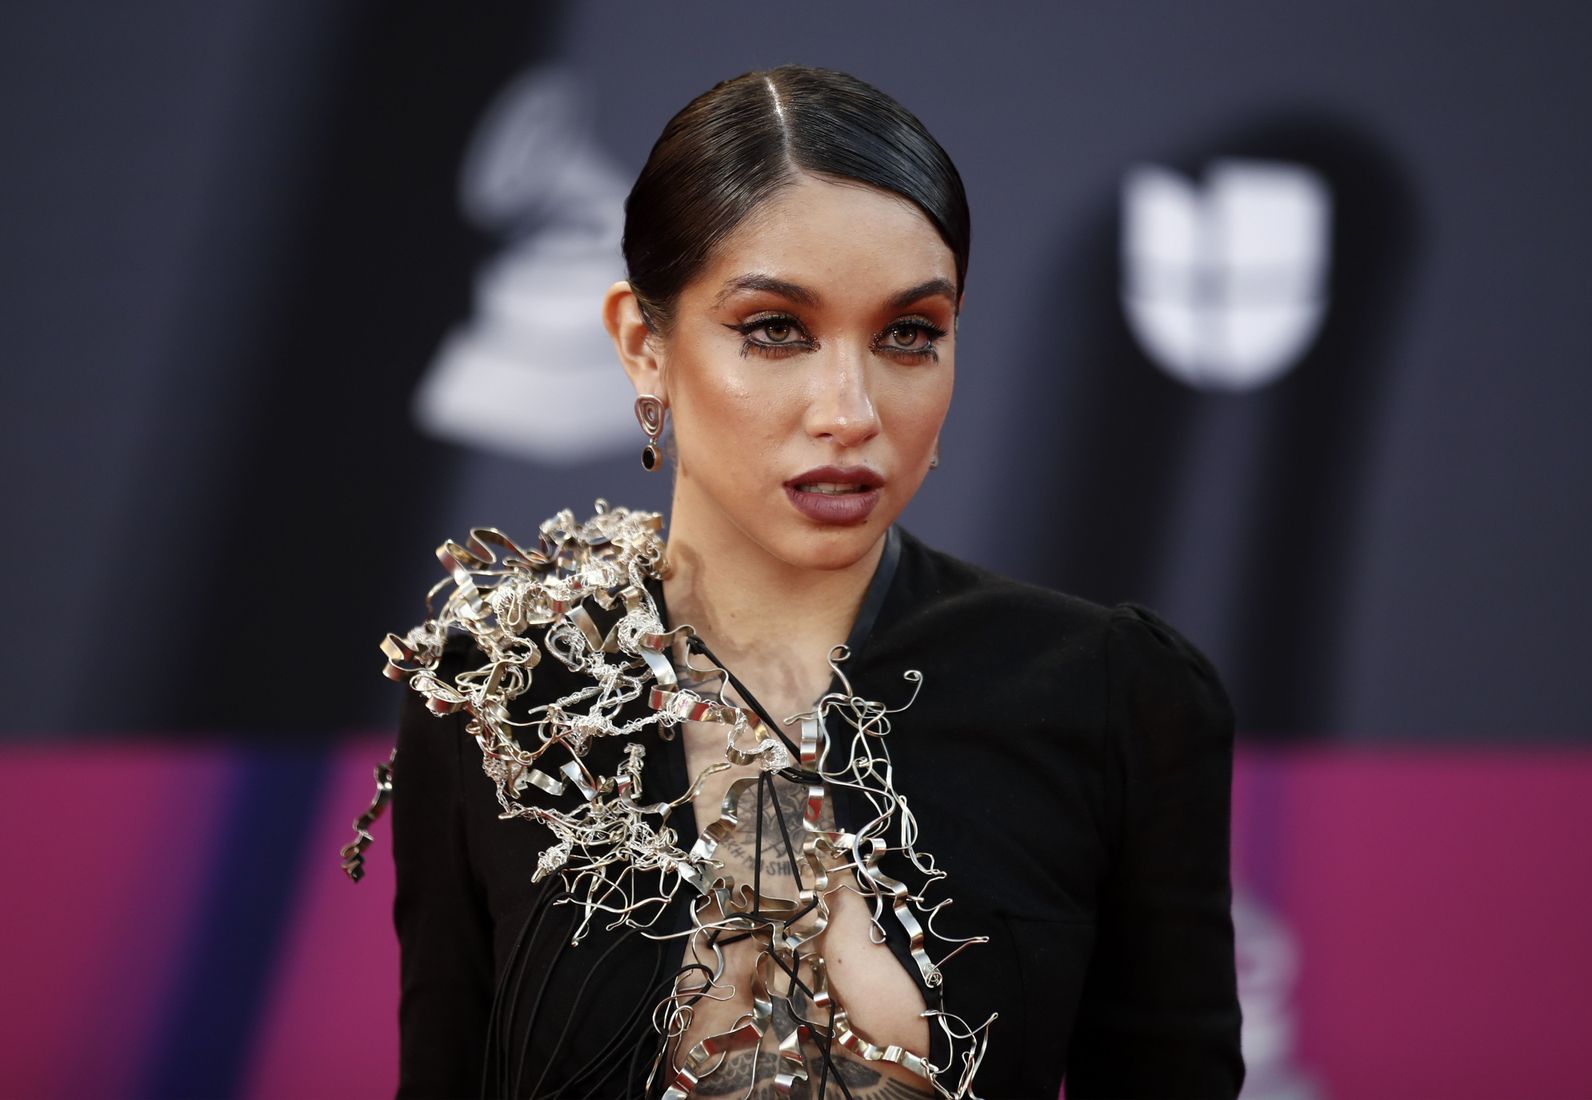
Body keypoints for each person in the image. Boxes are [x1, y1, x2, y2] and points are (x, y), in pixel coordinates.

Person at [376, 65, 1243, 1099]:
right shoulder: (505, 693)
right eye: (775, 330)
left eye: (908, 334)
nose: (850, 408)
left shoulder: (1110, 692)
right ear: (642, 345)